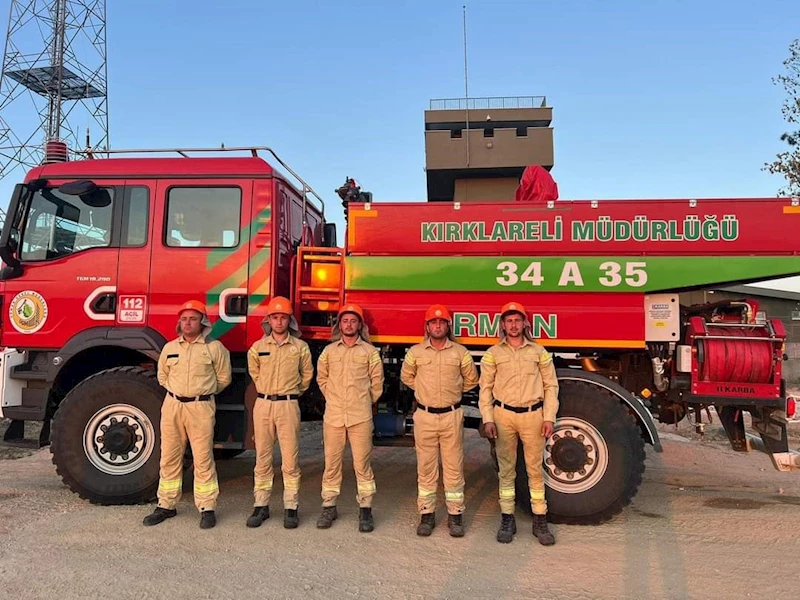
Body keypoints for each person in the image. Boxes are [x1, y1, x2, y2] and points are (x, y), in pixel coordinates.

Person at [143, 300, 232, 529]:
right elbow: (162, 376)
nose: (187, 323)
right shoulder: (170, 348)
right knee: (169, 457)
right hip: (172, 406)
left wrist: (201, 394)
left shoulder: (215, 349)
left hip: (200, 408)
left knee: (203, 458)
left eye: (193, 318)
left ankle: (207, 507)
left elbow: (224, 378)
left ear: (202, 322)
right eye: (183, 319)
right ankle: (166, 505)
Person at [479, 301, 559, 545]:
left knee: (535, 470)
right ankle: (507, 518)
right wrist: (488, 419)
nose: (513, 325)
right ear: (502, 325)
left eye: (517, 320)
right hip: (503, 416)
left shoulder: (539, 352)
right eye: (509, 321)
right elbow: (486, 388)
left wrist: (548, 417)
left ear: (525, 323)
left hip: (532, 416)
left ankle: (540, 520)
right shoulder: (493, 354)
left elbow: (551, 385)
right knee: (506, 471)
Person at [400, 304, 479, 537]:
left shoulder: (460, 353)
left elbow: (471, 380)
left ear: (447, 326)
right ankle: (427, 515)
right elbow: (407, 377)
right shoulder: (416, 353)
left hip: (451, 416)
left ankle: (455, 516)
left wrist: (451, 394)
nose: (437, 326)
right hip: (424, 416)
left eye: (442, 322)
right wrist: (425, 392)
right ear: (427, 327)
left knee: (454, 468)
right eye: (433, 323)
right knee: (426, 468)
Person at [315, 303, 384, 533]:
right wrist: (334, 399)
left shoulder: (370, 353)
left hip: (360, 417)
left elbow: (377, 385)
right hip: (334, 416)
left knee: (362, 465)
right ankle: (329, 506)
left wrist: (362, 401)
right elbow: (321, 379)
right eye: (345, 321)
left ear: (360, 325)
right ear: (339, 325)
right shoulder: (329, 352)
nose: (349, 325)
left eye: (353, 321)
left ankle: (365, 509)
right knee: (331, 465)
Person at [246, 296, 313, 529]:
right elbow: (255, 373)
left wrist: (291, 393)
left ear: (289, 320)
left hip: (288, 405)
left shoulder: (300, 348)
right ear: (269, 320)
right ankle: (261, 506)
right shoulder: (258, 348)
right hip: (263, 404)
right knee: (262, 458)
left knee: (290, 460)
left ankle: (291, 507)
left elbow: (306, 377)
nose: (279, 322)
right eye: (275, 317)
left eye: (283, 317)